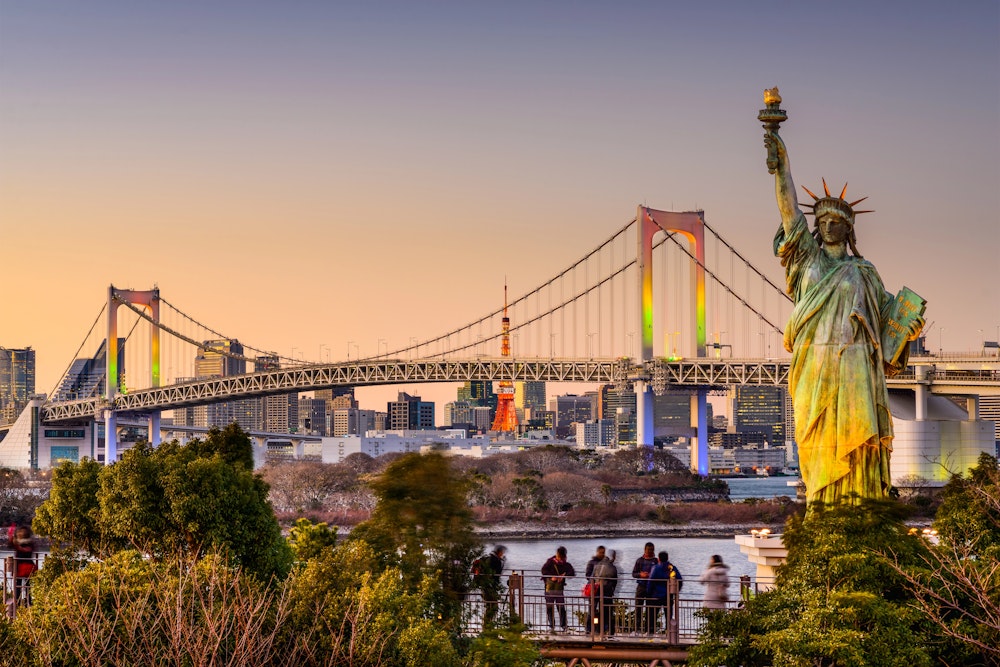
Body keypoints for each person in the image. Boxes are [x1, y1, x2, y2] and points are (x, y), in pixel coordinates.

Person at [764, 126, 923, 504]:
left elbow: (889, 323)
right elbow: (789, 211)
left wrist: (909, 329)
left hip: (855, 366)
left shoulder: (863, 272)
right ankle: (822, 505)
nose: (828, 226)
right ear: (815, 228)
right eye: (822, 221)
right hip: (814, 365)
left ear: (849, 228)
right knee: (817, 438)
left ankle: (862, 504)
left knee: (859, 437)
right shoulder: (806, 261)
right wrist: (781, 168)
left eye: (837, 221)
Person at [540, 546, 576, 632]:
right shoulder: (550, 562)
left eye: (561, 556)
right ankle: (551, 626)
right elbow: (543, 571)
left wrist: (564, 575)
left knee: (561, 607)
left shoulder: (565, 564)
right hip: (549, 588)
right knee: (550, 608)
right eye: (558, 556)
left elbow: (572, 572)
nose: (559, 558)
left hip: (559, 589)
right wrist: (552, 577)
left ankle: (563, 625)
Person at [646, 551, 683, 634]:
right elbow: (680, 579)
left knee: (653, 615)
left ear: (658, 558)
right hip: (668, 595)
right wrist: (676, 591)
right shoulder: (672, 568)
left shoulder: (655, 568)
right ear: (667, 558)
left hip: (656, 596)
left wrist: (648, 593)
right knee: (669, 616)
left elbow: (650, 581)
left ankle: (651, 632)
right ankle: (669, 632)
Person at [477, 545, 506, 627]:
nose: (502, 554)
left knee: (490, 606)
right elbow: (495, 574)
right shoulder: (494, 560)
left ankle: (487, 625)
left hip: (486, 586)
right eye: (502, 552)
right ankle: (487, 626)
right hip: (489, 587)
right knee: (493, 606)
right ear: (499, 552)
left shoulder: (490, 559)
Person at [632, 541, 658, 633]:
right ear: (645, 550)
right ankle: (637, 629)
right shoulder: (639, 560)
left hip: (651, 588)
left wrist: (651, 575)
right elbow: (634, 574)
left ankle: (649, 630)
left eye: (651, 550)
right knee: (638, 607)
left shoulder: (656, 561)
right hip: (641, 586)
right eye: (648, 550)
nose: (650, 551)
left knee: (650, 609)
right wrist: (640, 574)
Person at [10, 525, 36, 608]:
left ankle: (17, 602)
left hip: (20, 568)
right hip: (29, 567)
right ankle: (29, 602)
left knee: (18, 586)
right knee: (28, 586)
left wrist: (11, 533)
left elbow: (11, 544)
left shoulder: (17, 544)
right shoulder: (30, 544)